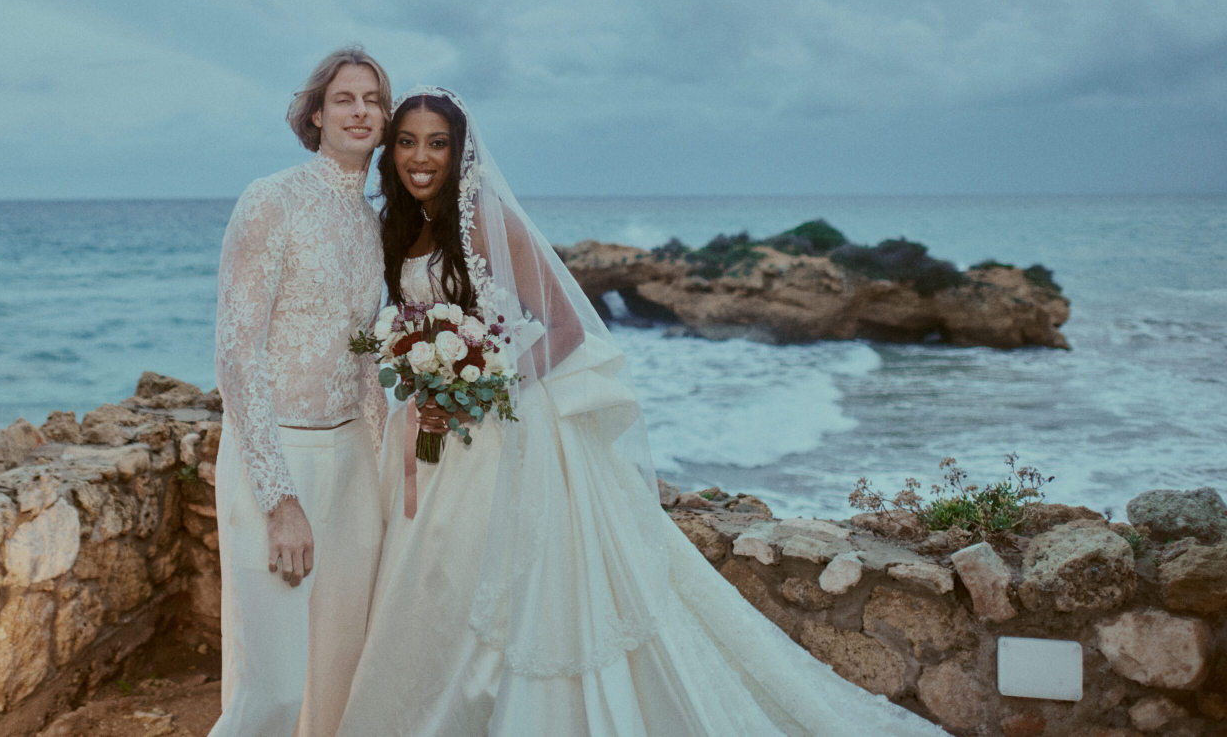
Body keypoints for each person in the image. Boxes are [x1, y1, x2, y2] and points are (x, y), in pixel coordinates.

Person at [335, 86, 952, 736]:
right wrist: (420, 374)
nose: (421, 155)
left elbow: (567, 326)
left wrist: (477, 389)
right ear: (390, 151)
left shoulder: (486, 217)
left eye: (438, 142)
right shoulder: (397, 224)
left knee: (480, 586)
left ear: (461, 151)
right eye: (407, 141)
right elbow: (406, 323)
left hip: (496, 433)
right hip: (428, 428)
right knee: (429, 582)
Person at [209, 46, 392, 737]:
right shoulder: (271, 200)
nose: (361, 111)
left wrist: (383, 472)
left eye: (373, 99)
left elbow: (365, 359)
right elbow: (237, 350)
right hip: (275, 458)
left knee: (335, 681)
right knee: (276, 688)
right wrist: (279, 498)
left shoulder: (374, 225)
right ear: (315, 113)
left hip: (351, 463)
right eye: (345, 98)